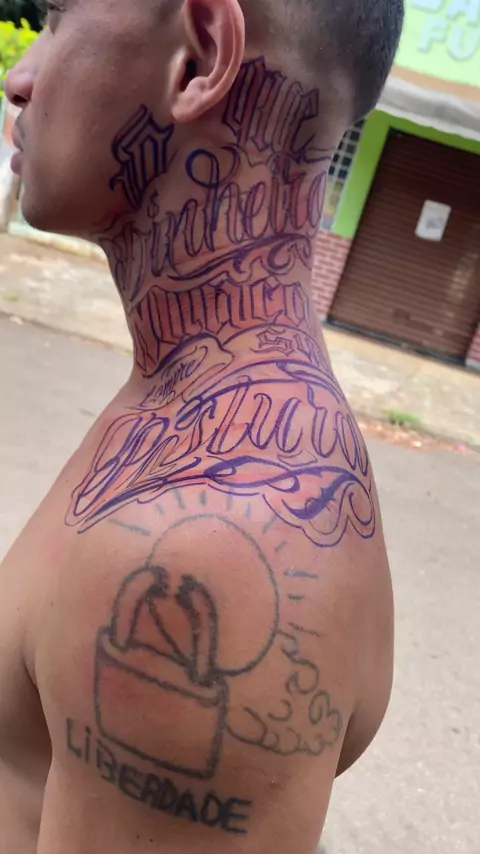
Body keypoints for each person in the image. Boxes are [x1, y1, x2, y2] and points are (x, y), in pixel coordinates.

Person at [1, 1, 404, 851]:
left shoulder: (213, 539)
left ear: (200, 58)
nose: (20, 78)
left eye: (60, 16)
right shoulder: (180, 401)